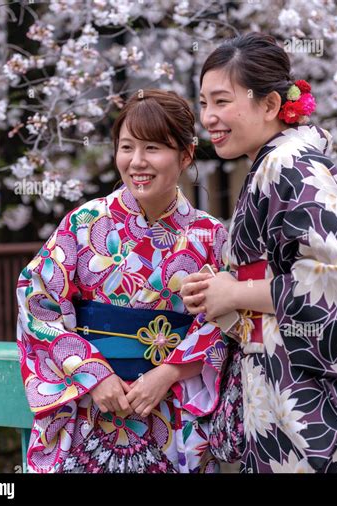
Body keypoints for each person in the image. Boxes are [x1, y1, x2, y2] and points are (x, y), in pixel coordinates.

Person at [181, 32, 337, 473]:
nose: (208, 118)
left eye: (222, 101)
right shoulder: (271, 163)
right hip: (277, 392)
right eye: (203, 103)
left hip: (311, 408)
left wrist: (235, 294)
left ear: (271, 106)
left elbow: (331, 280)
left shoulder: (293, 164)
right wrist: (219, 292)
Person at [16, 89, 229, 473]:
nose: (137, 162)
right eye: (126, 147)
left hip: (169, 406)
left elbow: (226, 322)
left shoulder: (209, 236)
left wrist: (169, 372)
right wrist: (93, 375)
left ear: (185, 155)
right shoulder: (84, 224)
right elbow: (39, 302)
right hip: (88, 402)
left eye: (152, 148)